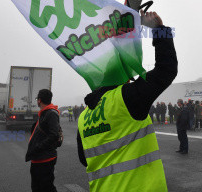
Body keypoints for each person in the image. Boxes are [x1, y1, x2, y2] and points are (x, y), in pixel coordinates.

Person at [76, 11, 178, 191]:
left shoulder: (84, 117)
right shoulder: (125, 98)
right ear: (124, 78)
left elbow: (85, 159)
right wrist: (159, 30)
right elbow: (166, 69)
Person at [25, 89, 62, 192]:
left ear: (39, 100)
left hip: (45, 159)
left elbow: (53, 135)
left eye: (37, 99)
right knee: (37, 188)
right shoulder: (44, 113)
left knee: (47, 188)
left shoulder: (51, 113)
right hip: (38, 158)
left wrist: (38, 147)